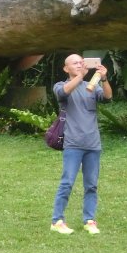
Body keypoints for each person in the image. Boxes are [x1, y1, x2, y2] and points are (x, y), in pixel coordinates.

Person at [50, 53, 112, 235]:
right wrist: (80, 76)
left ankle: (89, 220)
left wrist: (104, 78)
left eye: (80, 62)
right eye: (74, 63)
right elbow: (64, 92)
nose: (79, 65)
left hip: (93, 144)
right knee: (67, 182)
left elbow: (108, 97)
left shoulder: (91, 87)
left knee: (91, 185)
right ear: (65, 68)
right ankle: (57, 220)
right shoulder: (60, 86)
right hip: (73, 144)